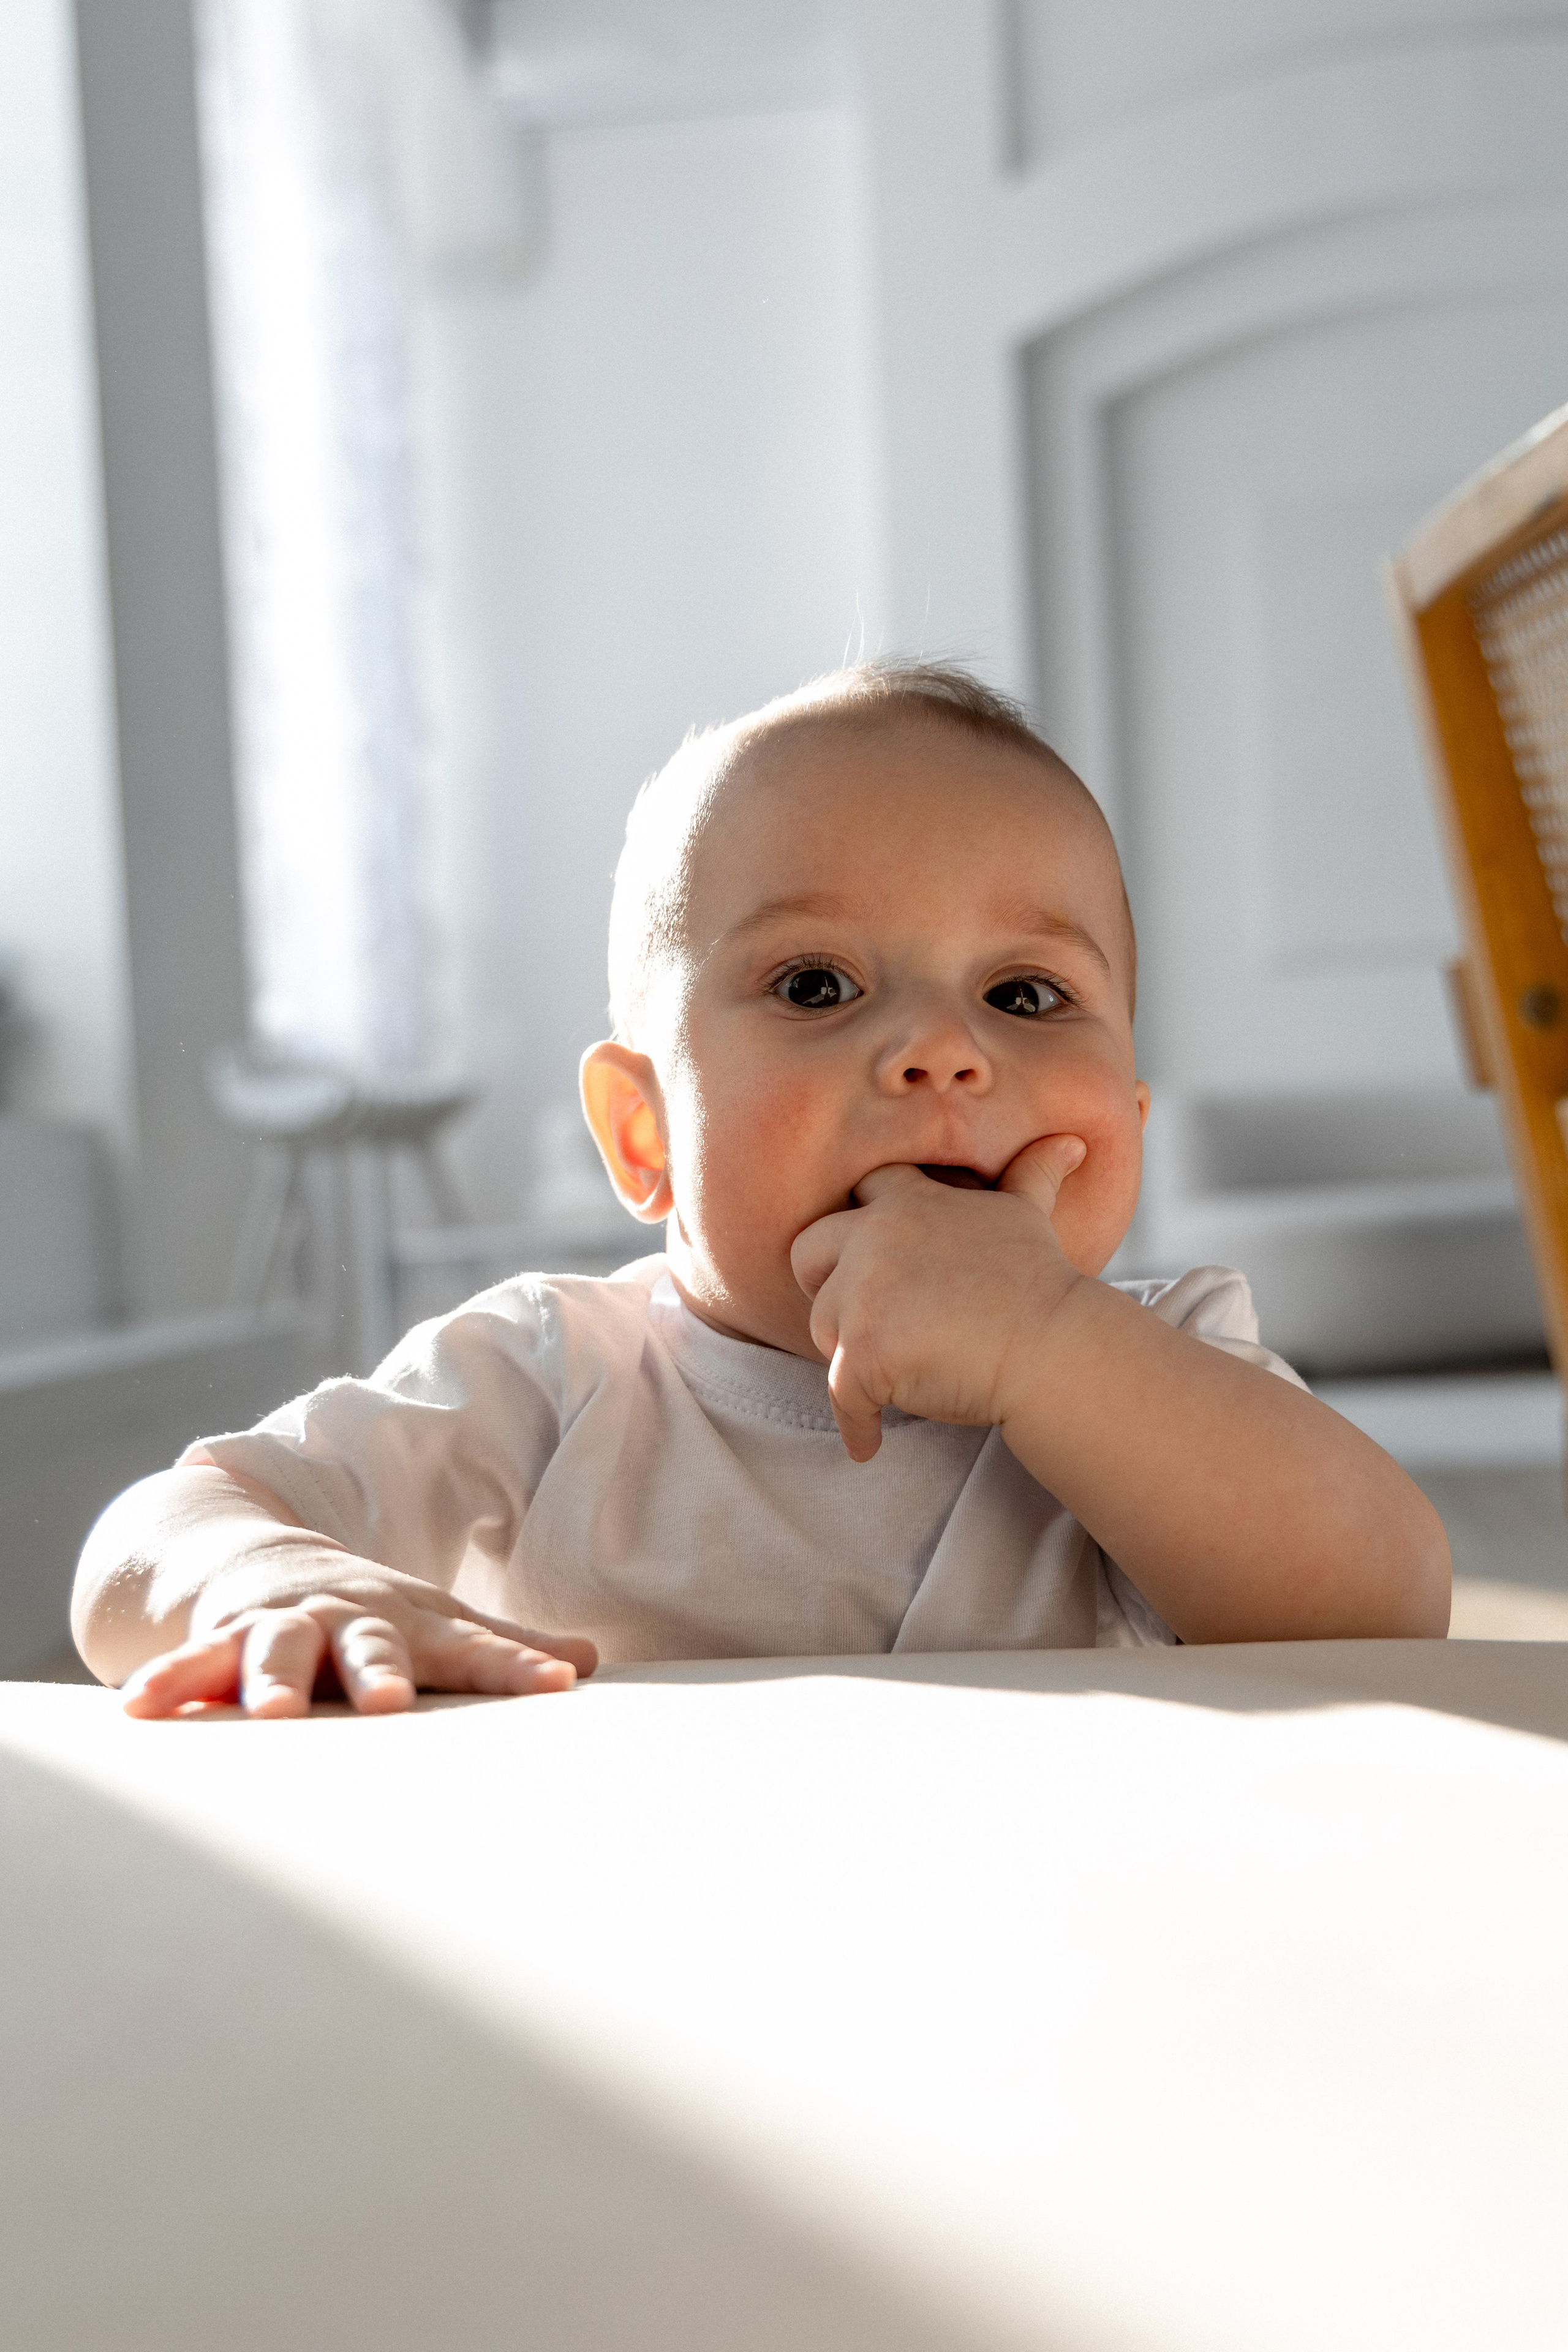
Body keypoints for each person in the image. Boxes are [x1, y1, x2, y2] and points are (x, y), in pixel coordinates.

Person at [72, 661, 1451, 1716]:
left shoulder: (1164, 1364)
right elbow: (151, 1535)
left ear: (1128, 1124)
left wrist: (1046, 1341)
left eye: (1025, 994)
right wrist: (271, 1582)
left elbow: (1385, 1605)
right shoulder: (549, 1378)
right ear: (643, 1134)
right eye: (815, 985)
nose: (941, 1050)